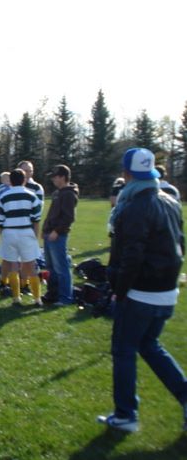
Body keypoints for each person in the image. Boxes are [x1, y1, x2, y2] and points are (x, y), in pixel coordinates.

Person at [97, 147, 186, 432]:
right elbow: (180, 244)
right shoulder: (170, 201)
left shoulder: (134, 206)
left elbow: (131, 256)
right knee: (149, 345)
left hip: (141, 292)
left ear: (126, 174)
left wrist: (119, 290)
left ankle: (126, 414)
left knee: (123, 350)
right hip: (167, 290)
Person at [0, 168, 43, 306]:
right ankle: (37, 299)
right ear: (24, 180)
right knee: (31, 266)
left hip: (9, 232)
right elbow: (36, 219)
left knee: (13, 266)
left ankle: (16, 298)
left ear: (10, 181)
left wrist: (3, 235)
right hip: (26, 232)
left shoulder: (3, 197)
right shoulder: (32, 196)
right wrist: (35, 236)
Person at [41, 164, 79, 306]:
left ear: (63, 177)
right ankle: (52, 294)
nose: (53, 179)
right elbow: (51, 214)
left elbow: (69, 217)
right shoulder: (58, 193)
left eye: (55, 177)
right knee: (50, 267)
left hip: (57, 235)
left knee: (61, 268)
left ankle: (65, 297)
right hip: (49, 233)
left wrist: (56, 231)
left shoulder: (68, 194)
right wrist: (45, 229)